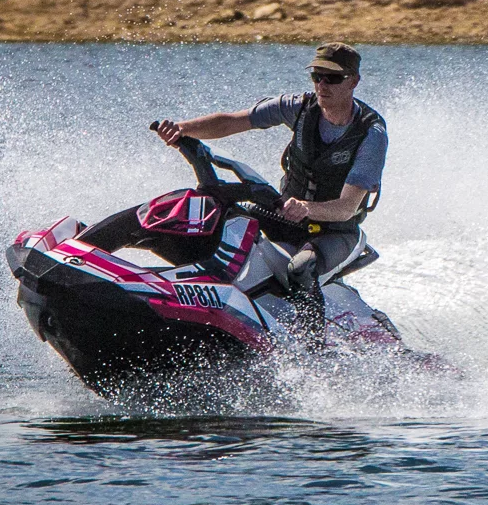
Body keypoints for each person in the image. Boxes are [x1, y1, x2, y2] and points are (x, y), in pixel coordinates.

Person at [151, 43, 387, 314]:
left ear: (354, 81)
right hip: (284, 217)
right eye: (316, 76)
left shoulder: (371, 134)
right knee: (221, 213)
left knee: (300, 270)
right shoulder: (297, 107)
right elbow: (232, 121)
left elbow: (346, 208)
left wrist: (306, 208)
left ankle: (312, 351)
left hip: (336, 233)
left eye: (332, 78)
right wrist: (181, 129)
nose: (322, 85)